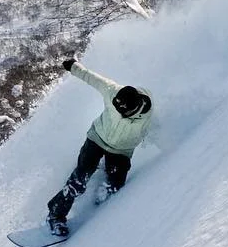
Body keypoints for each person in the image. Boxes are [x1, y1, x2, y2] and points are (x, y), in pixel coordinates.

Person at [45, 57, 153, 237]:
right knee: (79, 180)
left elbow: (157, 130)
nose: (119, 114)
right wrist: (73, 66)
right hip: (97, 139)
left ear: (136, 109)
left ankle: (98, 208)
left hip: (121, 151)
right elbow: (92, 78)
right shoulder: (114, 92)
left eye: (123, 113)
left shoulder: (149, 114)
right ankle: (55, 216)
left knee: (115, 185)